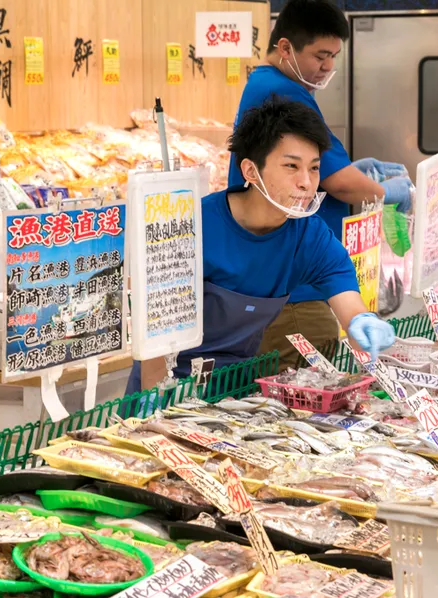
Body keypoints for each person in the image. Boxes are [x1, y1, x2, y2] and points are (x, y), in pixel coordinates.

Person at [125, 98, 396, 394]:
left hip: (235, 386)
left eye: (314, 168)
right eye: (291, 166)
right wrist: (153, 404)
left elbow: (349, 307)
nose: (306, 183)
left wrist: (362, 324)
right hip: (166, 383)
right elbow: (157, 329)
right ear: (251, 171)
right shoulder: (192, 227)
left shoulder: (310, 236)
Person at [230, 0, 414, 370]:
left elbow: (334, 175)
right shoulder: (280, 91)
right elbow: (339, 183)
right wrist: (387, 192)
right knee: (298, 391)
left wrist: (352, 171)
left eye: (334, 56)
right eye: (320, 55)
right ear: (285, 48)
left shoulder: (274, 85)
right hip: (292, 289)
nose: (328, 66)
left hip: (293, 273)